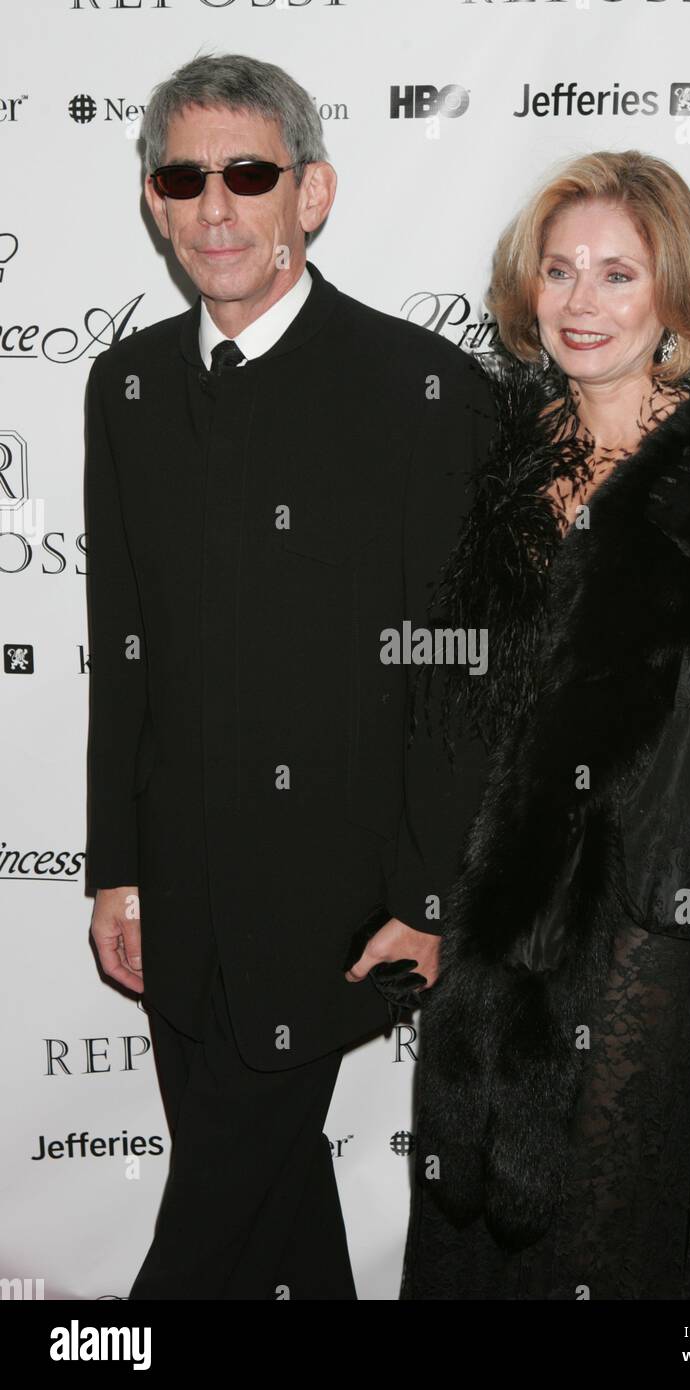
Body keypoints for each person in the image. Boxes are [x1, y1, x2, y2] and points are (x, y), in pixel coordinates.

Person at [401, 150, 690, 1300]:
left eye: (618, 273)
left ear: (673, 293)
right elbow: (450, 714)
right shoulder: (495, 459)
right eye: (559, 272)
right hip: (506, 929)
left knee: (611, 1243)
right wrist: (423, 903)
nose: (582, 302)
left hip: (664, 924)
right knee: (476, 1260)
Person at [83, 52, 495, 1300]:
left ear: (311, 192)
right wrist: (117, 866)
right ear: (154, 199)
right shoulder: (130, 384)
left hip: (333, 907)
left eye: (249, 173)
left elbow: (456, 667)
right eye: (184, 175)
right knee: (270, 1209)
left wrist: (432, 894)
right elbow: (123, 647)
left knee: (201, 1241)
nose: (215, 206)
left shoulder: (423, 392)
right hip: (179, 894)